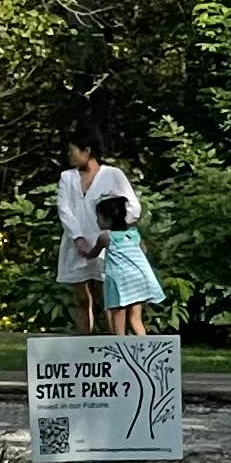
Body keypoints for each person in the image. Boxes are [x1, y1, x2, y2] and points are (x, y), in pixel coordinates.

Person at [54, 138, 138, 331]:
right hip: (76, 244)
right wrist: (78, 238)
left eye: (72, 150)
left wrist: (115, 229)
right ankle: (84, 342)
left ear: (87, 150)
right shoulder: (67, 177)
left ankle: (115, 341)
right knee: (82, 298)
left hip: (106, 243)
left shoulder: (113, 174)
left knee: (108, 297)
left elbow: (133, 207)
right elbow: (64, 209)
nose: (69, 155)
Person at [91, 187, 165, 334]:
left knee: (117, 313)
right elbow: (142, 251)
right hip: (137, 279)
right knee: (135, 318)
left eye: (98, 217)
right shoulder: (133, 234)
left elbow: (93, 253)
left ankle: (119, 343)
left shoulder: (106, 236)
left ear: (107, 219)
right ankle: (144, 345)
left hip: (119, 279)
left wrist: (84, 252)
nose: (97, 220)